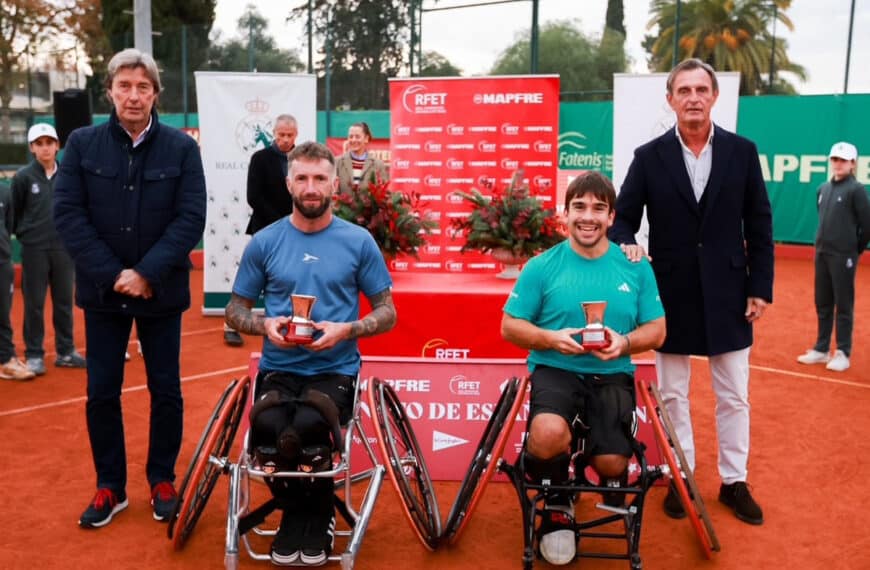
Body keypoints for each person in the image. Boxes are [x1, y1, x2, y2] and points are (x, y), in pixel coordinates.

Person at [609, 58, 774, 526]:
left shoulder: (743, 152)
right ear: (671, 99)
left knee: (734, 395)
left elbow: (760, 224)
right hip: (670, 296)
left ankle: (733, 481)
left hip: (730, 292)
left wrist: (759, 287)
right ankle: (680, 475)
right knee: (673, 396)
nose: (694, 98)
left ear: (714, 97)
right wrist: (627, 245)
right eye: (684, 90)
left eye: (702, 89)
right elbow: (624, 219)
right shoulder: (649, 156)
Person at [54, 48, 206, 528]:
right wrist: (115, 274)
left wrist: (145, 273)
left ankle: (162, 478)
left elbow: (191, 218)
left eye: (143, 87)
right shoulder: (80, 144)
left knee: (166, 390)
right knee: (102, 391)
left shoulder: (182, 149)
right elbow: (68, 215)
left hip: (160, 291)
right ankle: (110, 487)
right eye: (125, 86)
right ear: (111, 92)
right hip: (103, 294)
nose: (134, 95)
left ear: (156, 93)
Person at [226, 141, 396, 566]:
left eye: (320, 178)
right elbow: (234, 310)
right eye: (302, 178)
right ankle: (303, 514)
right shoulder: (264, 242)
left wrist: (348, 330)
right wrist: (264, 325)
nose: (311, 187)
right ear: (288, 184)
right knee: (267, 432)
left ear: (334, 183)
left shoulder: (359, 242)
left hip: (335, 368)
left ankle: (311, 516)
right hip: (278, 367)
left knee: (307, 427)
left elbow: (387, 312)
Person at [501, 172, 666, 566]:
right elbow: (510, 326)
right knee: (546, 434)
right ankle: (558, 498)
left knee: (611, 465)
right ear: (565, 213)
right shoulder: (542, 266)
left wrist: (625, 343)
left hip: (612, 372)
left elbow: (658, 330)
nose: (587, 217)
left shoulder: (636, 266)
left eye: (597, 208)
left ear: (611, 216)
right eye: (579, 207)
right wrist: (550, 338)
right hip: (556, 368)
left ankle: (580, 461)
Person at [11, 123, 85, 375]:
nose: (45, 148)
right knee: (34, 304)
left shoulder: (70, 175)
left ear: (57, 146)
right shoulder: (22, 177)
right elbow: (15, 212)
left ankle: (66, 351)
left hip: (64, 248)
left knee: (64, 301)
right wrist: (26, 233)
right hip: (34, 249)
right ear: (32, 147)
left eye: (49, 143)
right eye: (39, 143)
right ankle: (33, 354)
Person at [223, 114, 299, 347]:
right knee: (251, 278)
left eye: (290, 135)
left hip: (298, 231)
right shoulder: (260, 158)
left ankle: (293, 324)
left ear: (296, 134)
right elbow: (253, 197)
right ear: (274, 133)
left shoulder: (304, 158)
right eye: (281, 134)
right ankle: (230, 325)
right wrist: (282, 223)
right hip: (265, 229)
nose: (285, 139)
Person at [796, 141, 870, 372]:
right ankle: (821, 349)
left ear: (852, 164)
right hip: (822, 253)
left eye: (843, 160)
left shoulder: (856, 190)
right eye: (835, 160)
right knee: (823, 302)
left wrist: (853, 248)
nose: (838, 164)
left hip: (844, 255)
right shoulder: (823, 189)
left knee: (843, 304)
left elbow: (866, 225)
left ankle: (842, 352)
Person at [0, 178, 34, 381]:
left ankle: (6, 360)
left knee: (2, 313)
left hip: (2, 262)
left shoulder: (5, 192)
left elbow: (10, 224)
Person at [335, 122, 388, 194]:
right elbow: (332, 192)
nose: (353, 140)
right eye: (350, 137)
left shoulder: (378, 164)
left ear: (366, 138)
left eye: (357, 137)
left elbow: (384, 192)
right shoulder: (337, 162)